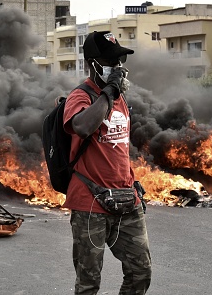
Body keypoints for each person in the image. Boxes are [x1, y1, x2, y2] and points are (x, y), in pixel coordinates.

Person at [63, 31, 152, 294]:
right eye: (111, 61)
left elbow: (119, 148)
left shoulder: (120, 99)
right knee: (89, 283)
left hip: (126, 199)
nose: (118, 67)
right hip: (90, 205)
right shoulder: (81, 97)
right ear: (94, 63)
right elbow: (81, 126)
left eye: (120, 61)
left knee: (141, 272)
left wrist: (133, 183)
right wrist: (108, 91)